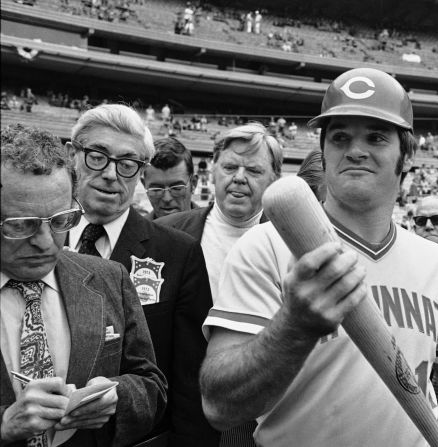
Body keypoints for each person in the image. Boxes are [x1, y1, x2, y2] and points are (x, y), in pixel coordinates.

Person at [199, 68, 438, 446]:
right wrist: (294, 326)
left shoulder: (436, 262)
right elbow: (220, 406)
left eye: (376, 137)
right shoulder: (265, 246)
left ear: (405, 156)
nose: (356, 150)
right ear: (323, 152)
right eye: (340, 137)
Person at [1, 124, 166, 446]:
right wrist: (5, 425)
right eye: (22, 225)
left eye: (62, 220)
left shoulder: (110, 279)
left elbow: (152, 387)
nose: (46, 242)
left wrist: (117, 397)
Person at [65, 104, 217, 446]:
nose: (110, 174)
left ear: (139, 173)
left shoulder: (178, 253)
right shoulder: (37, 242)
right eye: (97, 156)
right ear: (72, 156)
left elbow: (192, 381)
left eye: (127, 164)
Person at [155, 122, 282, 300]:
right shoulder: (164, 233)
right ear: (213, 171)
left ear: (273, 180)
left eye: (253, 171)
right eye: (229, 168)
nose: (239, 178)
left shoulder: (287, 243)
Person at [141, 137, 198, 220]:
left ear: (193, 183)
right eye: (156, 189)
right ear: (144, 185)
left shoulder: (213, 229)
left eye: (177, 188)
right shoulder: (134, 232)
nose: (167, 199)